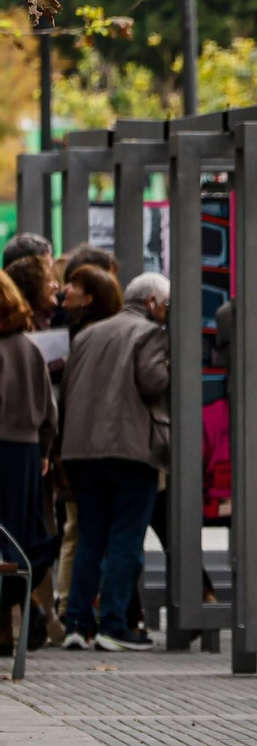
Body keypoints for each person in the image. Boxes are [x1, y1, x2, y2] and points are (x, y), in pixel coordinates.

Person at [59, 268, 167, 651]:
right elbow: (154, 382)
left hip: (82, 451)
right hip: (130, 450)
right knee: (125, 537)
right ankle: (115, 625)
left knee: (90, 536)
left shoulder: (89, 333)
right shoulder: (150, 333)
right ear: (152, 303)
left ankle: (77, 623)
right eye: (165, 306)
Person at [0, 270, 57, 654]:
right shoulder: (28, 347)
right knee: (16, 540)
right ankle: (13, 623)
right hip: (24, 454)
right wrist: (45, 452)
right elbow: (50, 412)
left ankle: (6, 628)